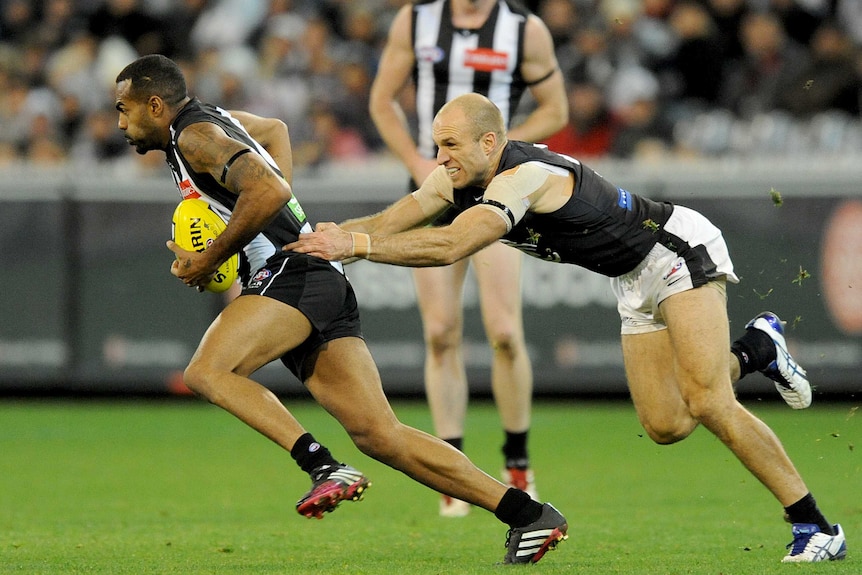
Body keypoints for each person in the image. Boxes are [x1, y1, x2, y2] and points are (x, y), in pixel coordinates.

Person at [285, 92, 846, 563]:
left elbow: (454, 244)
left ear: (489, 142)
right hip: (630, 278)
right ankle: (754, 349)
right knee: (667, 424)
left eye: (450, 144)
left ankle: (816, 526)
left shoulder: (524, 175)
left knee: (708, 400)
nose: (440, 156)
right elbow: (385, 223)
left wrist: (354, 246)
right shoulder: (452, 180)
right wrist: (316, 242)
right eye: (436, 143)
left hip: (674, 250)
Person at [114, 55, 567, 565]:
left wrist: (215, 256)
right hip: (312, 273)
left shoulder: (193, 136)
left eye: (124, 110)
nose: (120, 124)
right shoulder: (221, 119)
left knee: (207, 371)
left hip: (294, 273)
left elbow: (270, 188)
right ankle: (528, 515)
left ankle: (323, 466)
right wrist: (278, 227)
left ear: (155, 105)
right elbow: (277, 132)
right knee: (381, 435)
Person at [368, 0, 568, 517]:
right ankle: (452, 467)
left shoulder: (526, 29)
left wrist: (496, 152)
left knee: (504, 331)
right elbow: (381, 101)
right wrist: (418, 162)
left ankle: (517, 461)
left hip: (497, 187)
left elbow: (557, 109)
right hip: (434, 186)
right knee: (440, 332)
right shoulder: (415, 20)